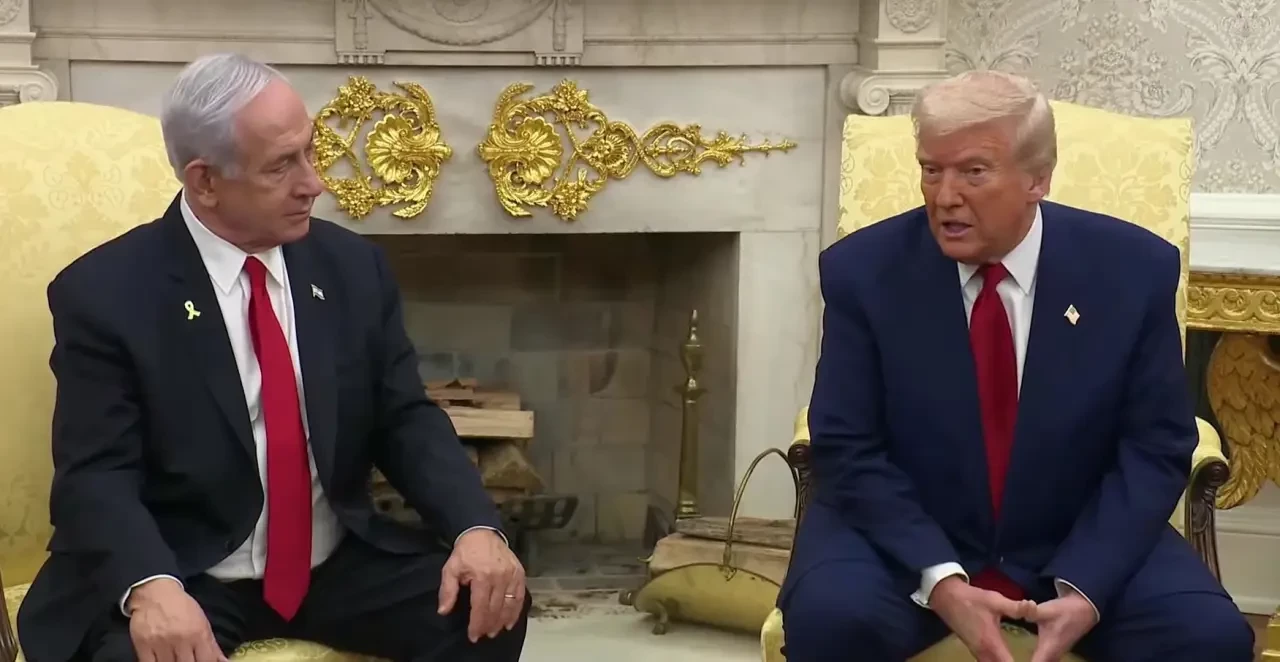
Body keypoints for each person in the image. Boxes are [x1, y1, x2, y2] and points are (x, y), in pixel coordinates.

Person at [16, 53, 529, 662]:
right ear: (205, 181)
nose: (314, 183)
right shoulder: (107, 294)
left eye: (310, 152)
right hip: (187, 567)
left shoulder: (352, 269)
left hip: (333, 563)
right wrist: (151, 588)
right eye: (282, 165)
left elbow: (404, 418)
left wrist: (475, 527)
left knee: (489, 609)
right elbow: (96, 474)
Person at [778, 70, 1253, 662]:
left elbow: (1156, 445)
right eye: (931, 169)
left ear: (1038, 179)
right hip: (903, 539)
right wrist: (942, 581)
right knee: (832, 619)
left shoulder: (1133, 270)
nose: (944, 196)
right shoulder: (863, 271)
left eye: (973, 172)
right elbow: (847, 445)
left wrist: (1087, 589)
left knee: (1209, 639)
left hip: (1078, 533)